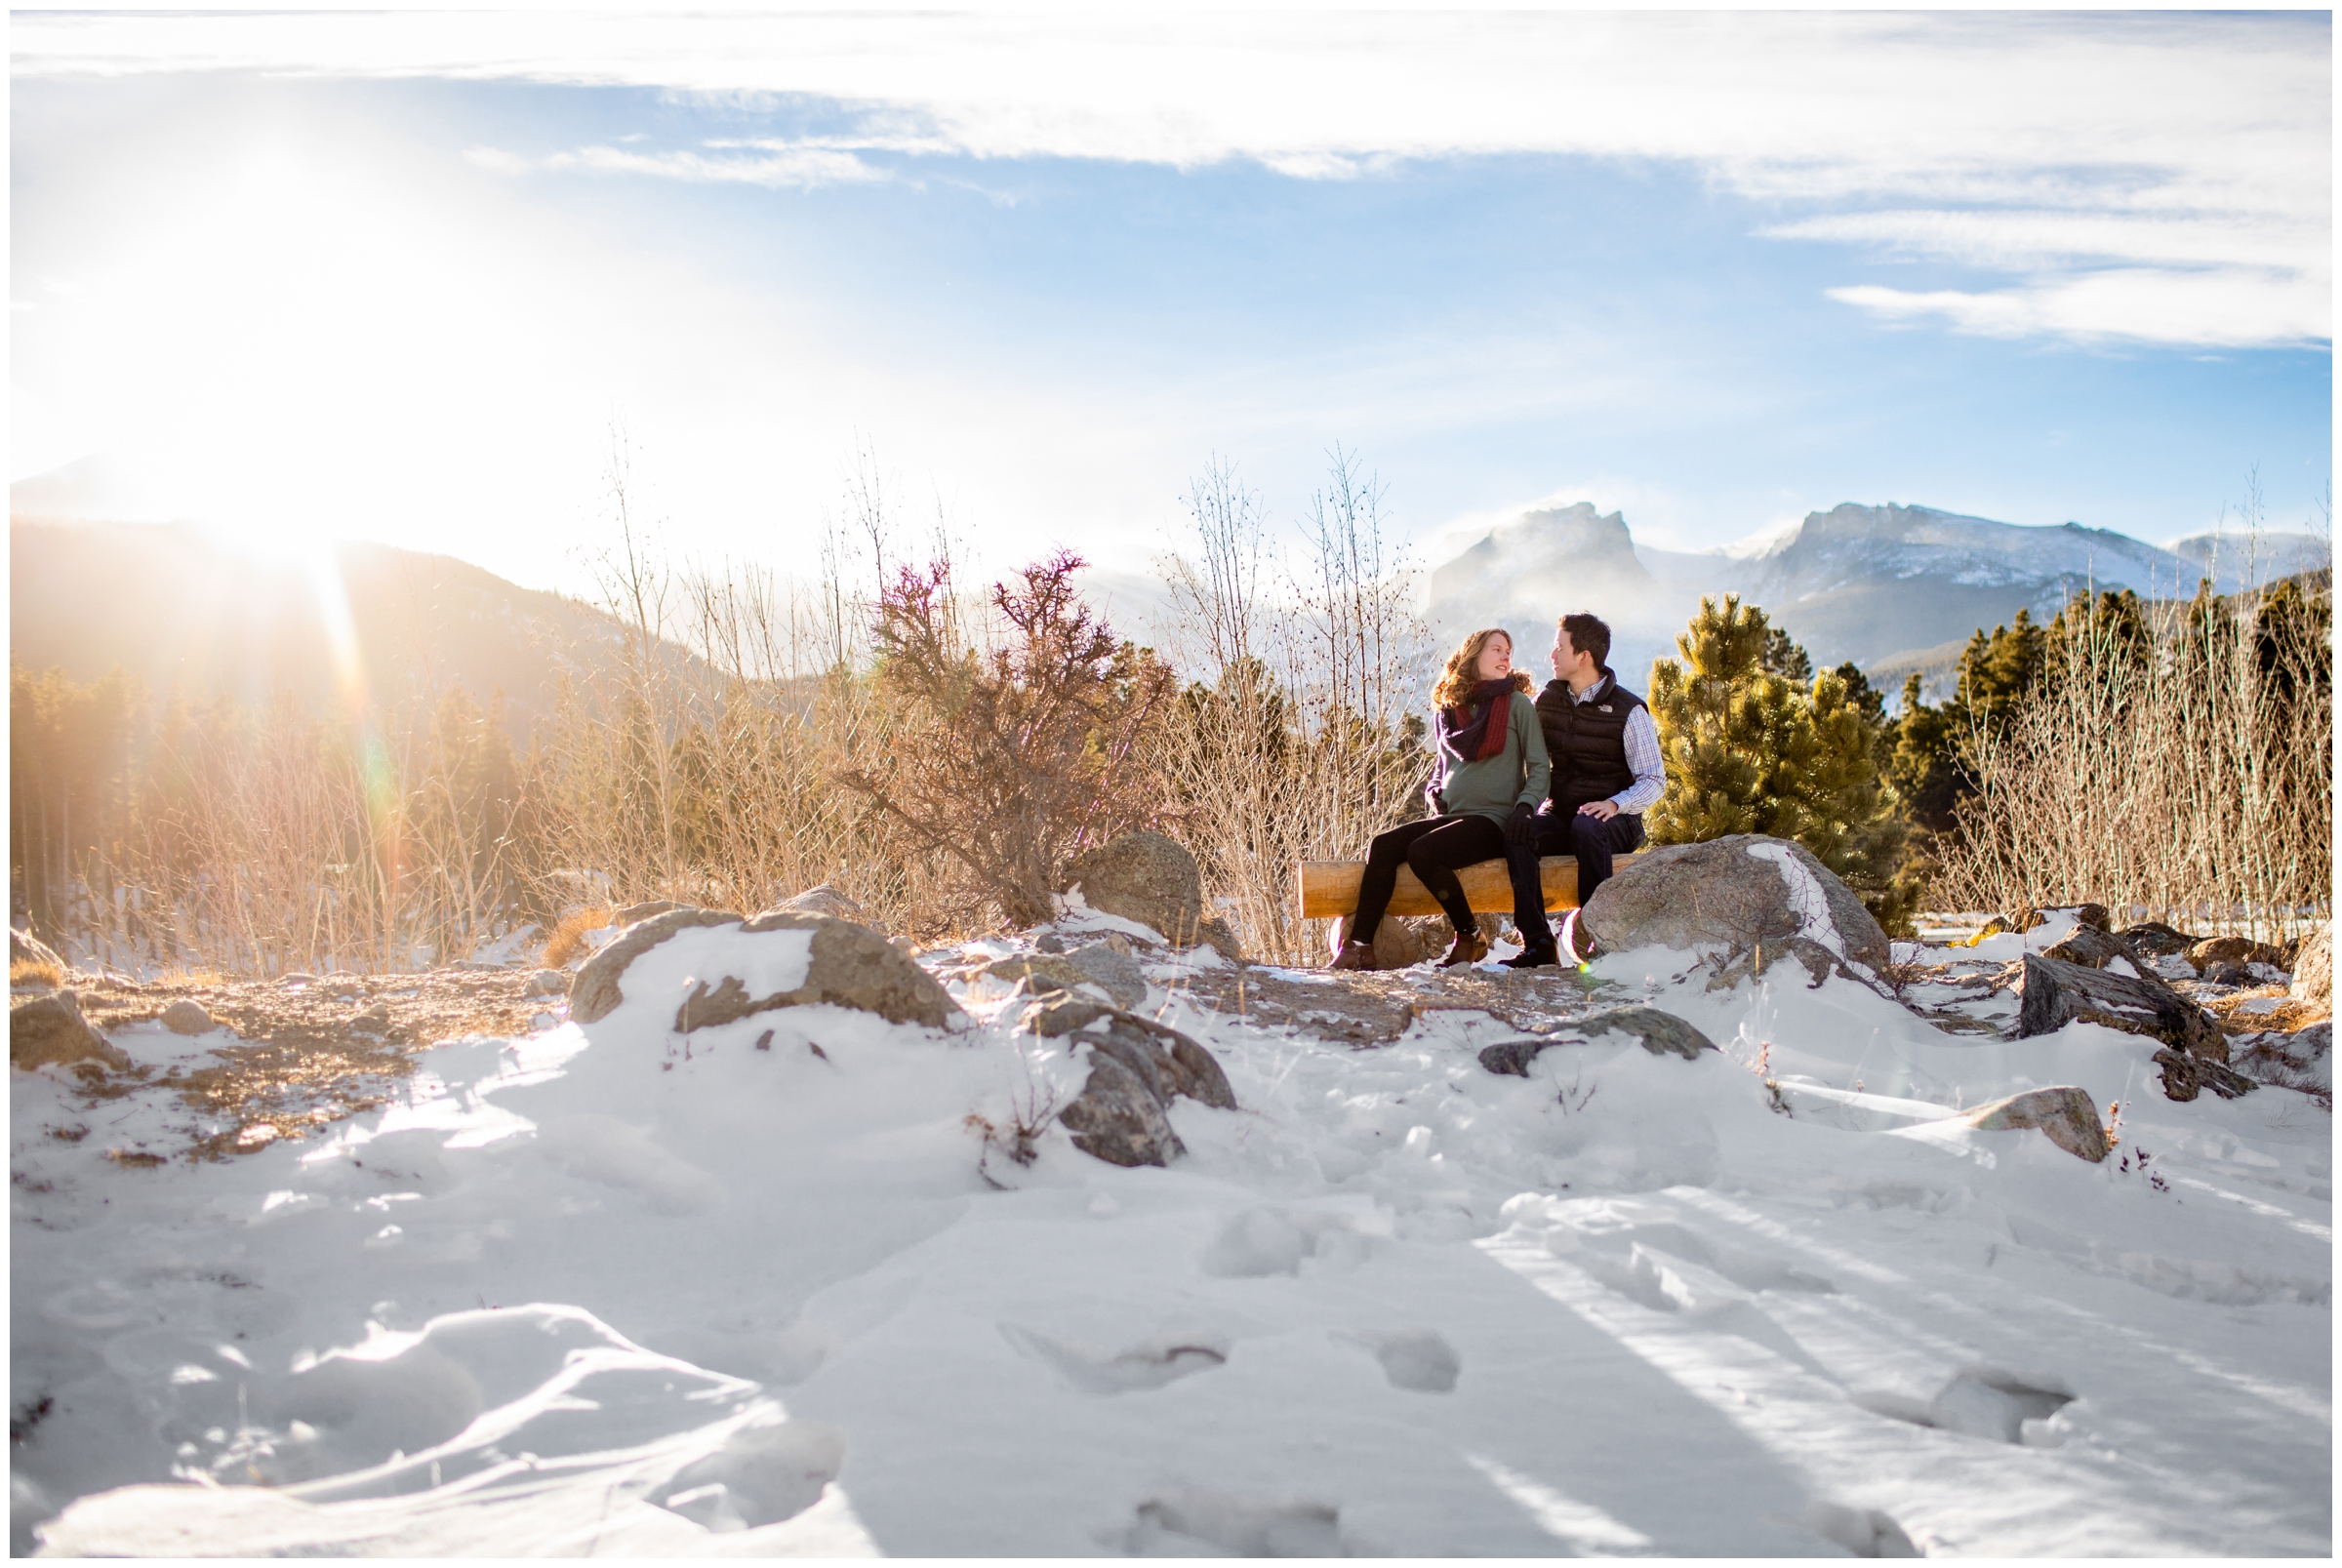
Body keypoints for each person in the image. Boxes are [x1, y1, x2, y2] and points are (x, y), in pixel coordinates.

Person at [1330, 627, 1550, 971]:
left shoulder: (1518, 705)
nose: (1507, 656)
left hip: (1495, 820)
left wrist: (1526, 807)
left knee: (1423, 852)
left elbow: (1539, 767)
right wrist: (1434, 789)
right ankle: (1359, 947)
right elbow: (1441, 768)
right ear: (1474, 655)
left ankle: (1469, 935)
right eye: (1497, 649)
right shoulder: (1448, 711)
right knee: (1383, 845)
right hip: (1452, 817)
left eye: (1509, 650)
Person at [1502, 611, 1667, 969]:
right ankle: (1537, 942)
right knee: (1519, 831)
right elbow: (1515, 745)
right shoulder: (1548, 702)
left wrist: (1614, 803)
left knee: (1587, 825)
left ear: (1583, 657)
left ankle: (1599, 941)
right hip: (1562, 814)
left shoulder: (1628, 709)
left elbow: (1654, 779)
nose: (1552, 654)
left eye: (1559, 647)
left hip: (1615, 821)